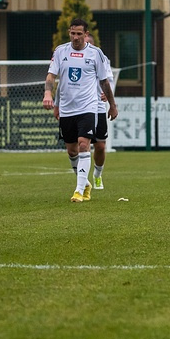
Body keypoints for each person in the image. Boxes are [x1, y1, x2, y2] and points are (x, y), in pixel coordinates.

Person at [42, 18, 117, 202]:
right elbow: (51, 76)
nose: (75, 37)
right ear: (69, 32)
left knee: (85, 144)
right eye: (72, 33)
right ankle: (85, 183)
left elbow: (104, 81)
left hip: (88, 106)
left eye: (79, 34)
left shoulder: (96, 54)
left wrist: (112, 105)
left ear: (86, 34)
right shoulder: (60, 51)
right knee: (71, 150)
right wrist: (48, 94)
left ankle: (79, 190)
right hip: (68, 108)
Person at [86, 31, 114, 190]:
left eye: (90, 43)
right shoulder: (73, 57)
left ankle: (97, 174)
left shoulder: (101, 58)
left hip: (98, 107)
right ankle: (82, 181)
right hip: (80, 108)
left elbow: (109, 80)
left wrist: (108, 96)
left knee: (100, 146)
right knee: (81, 144)